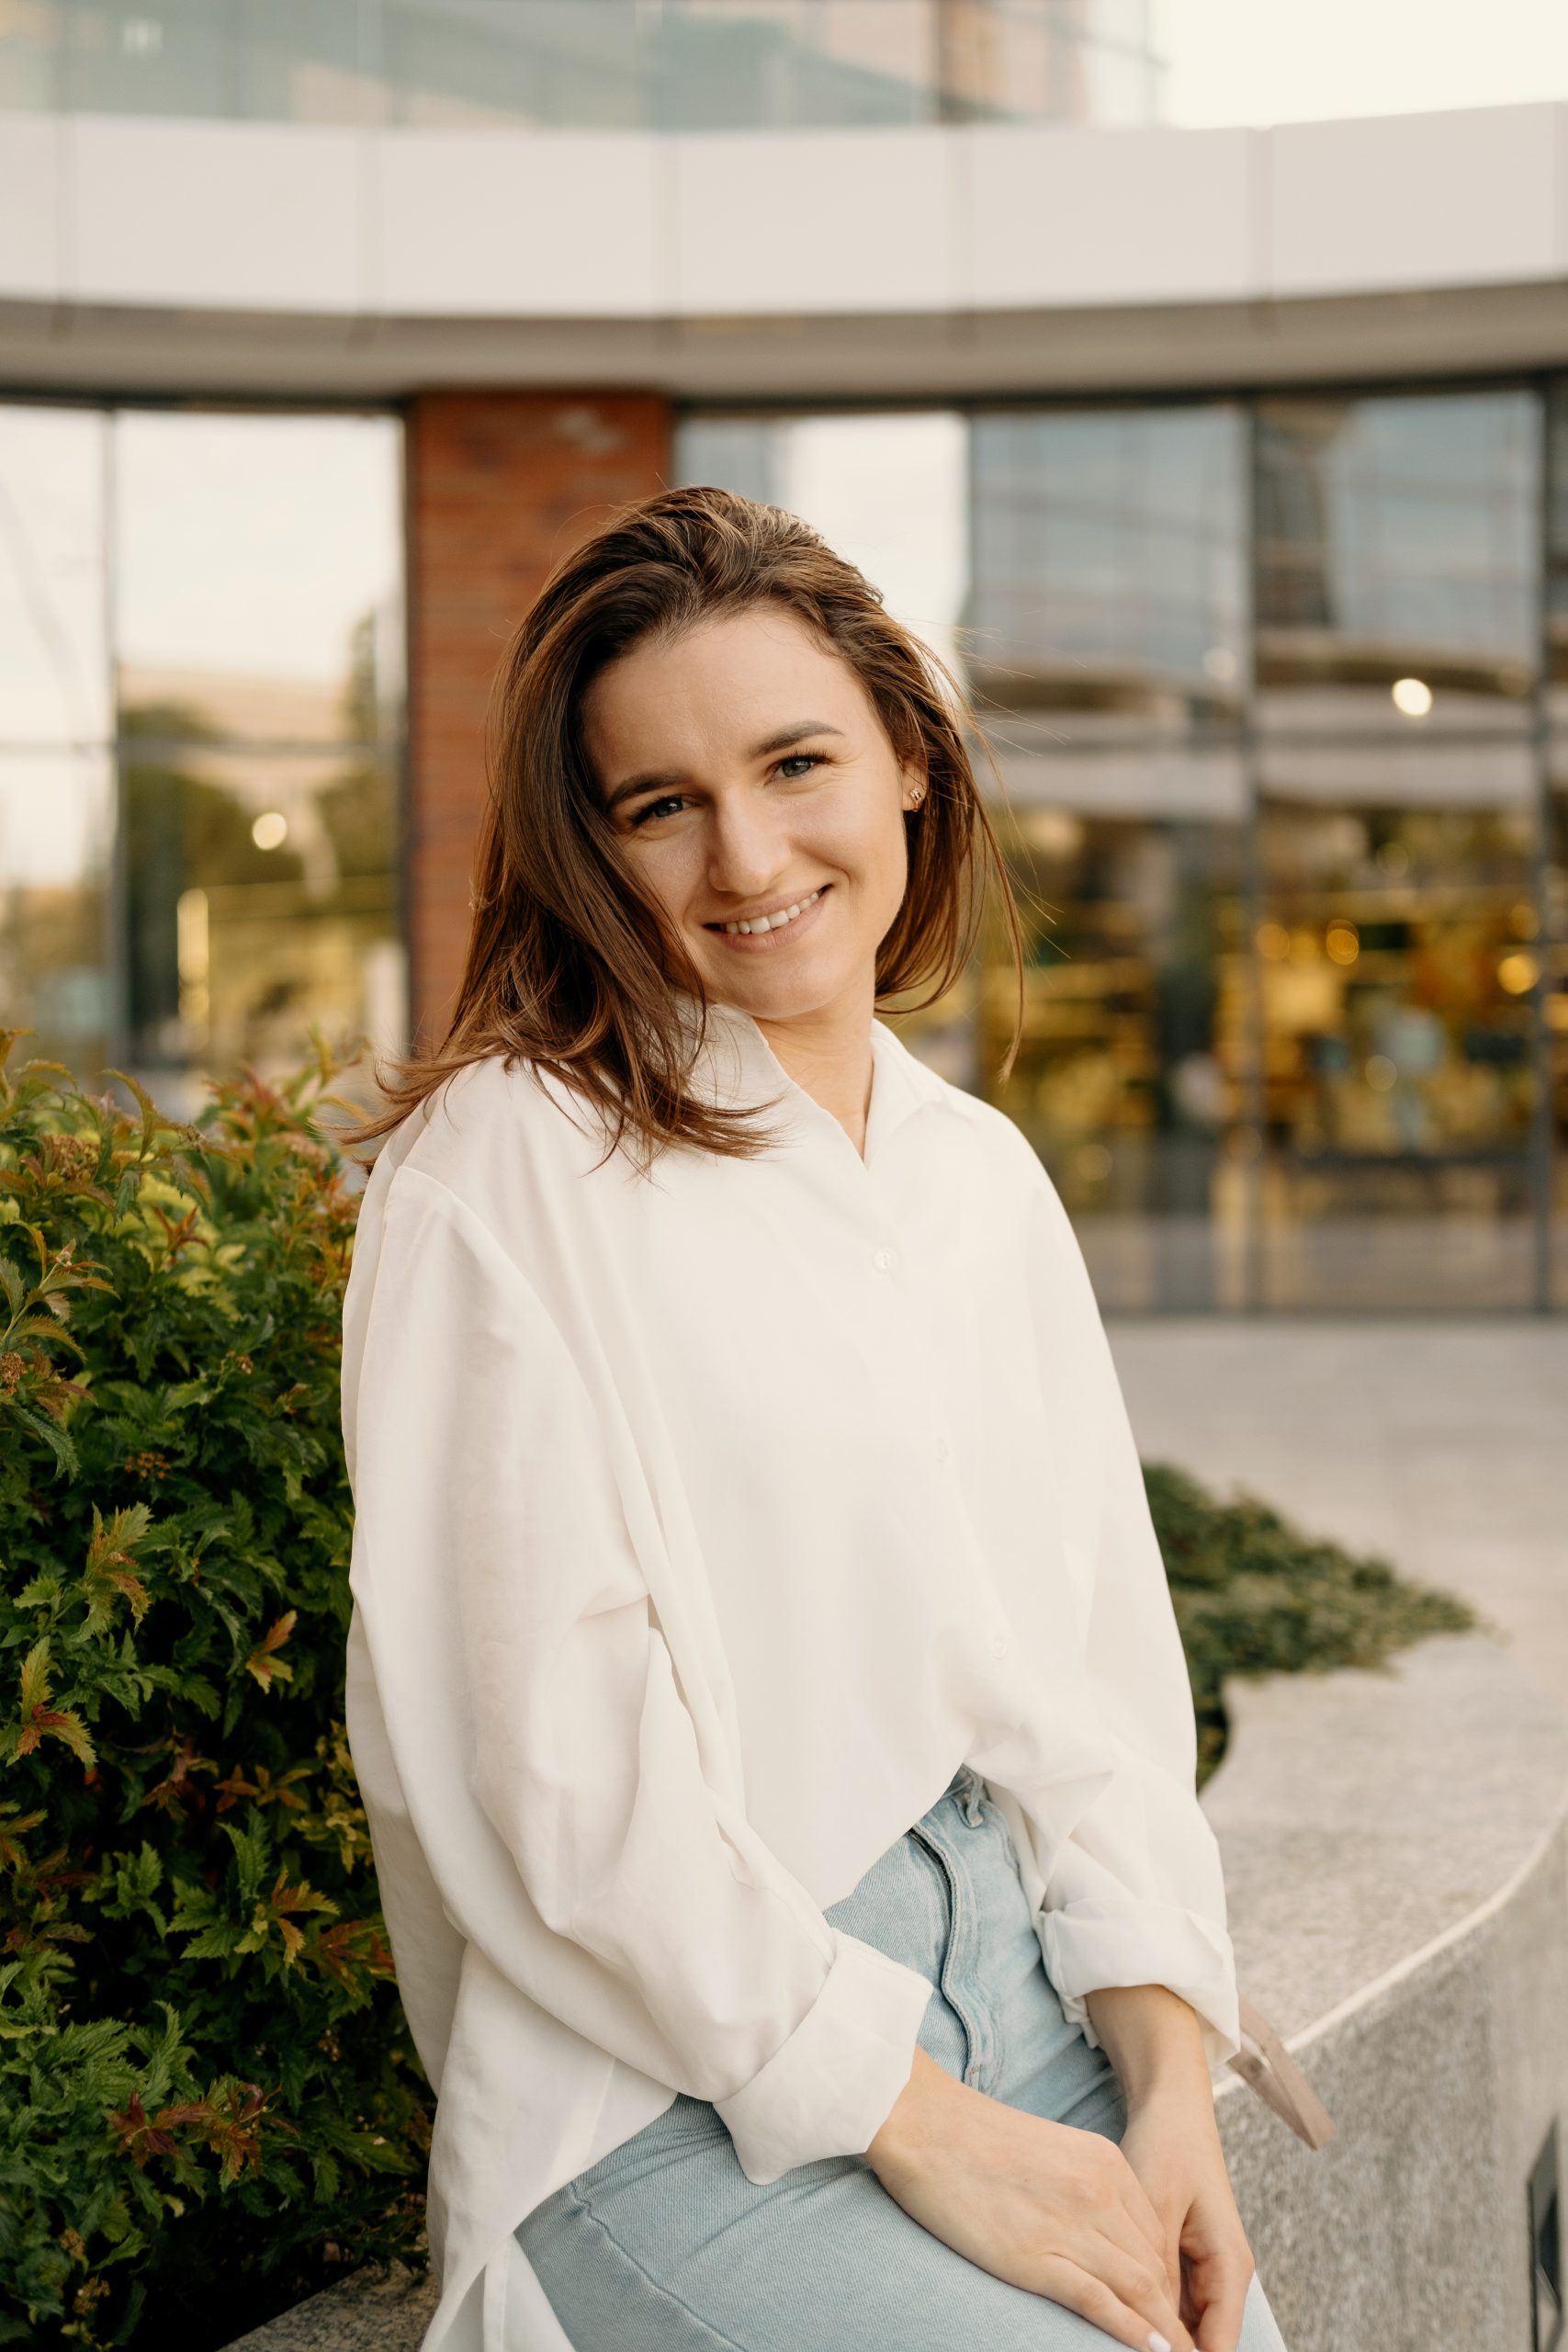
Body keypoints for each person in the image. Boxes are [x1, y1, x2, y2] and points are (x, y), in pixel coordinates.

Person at [338, 486, 1290, 2352]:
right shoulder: (505, 1166)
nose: (745, 851)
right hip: (666, 2085)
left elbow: (1094, 1682)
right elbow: (553, 1779)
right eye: (658, 801)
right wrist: (918, 2120)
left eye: (794, 762)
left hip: (1030, 1990)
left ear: (910, 763)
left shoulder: (976, 1176)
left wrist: (1170, 2079)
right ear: (590, 846)